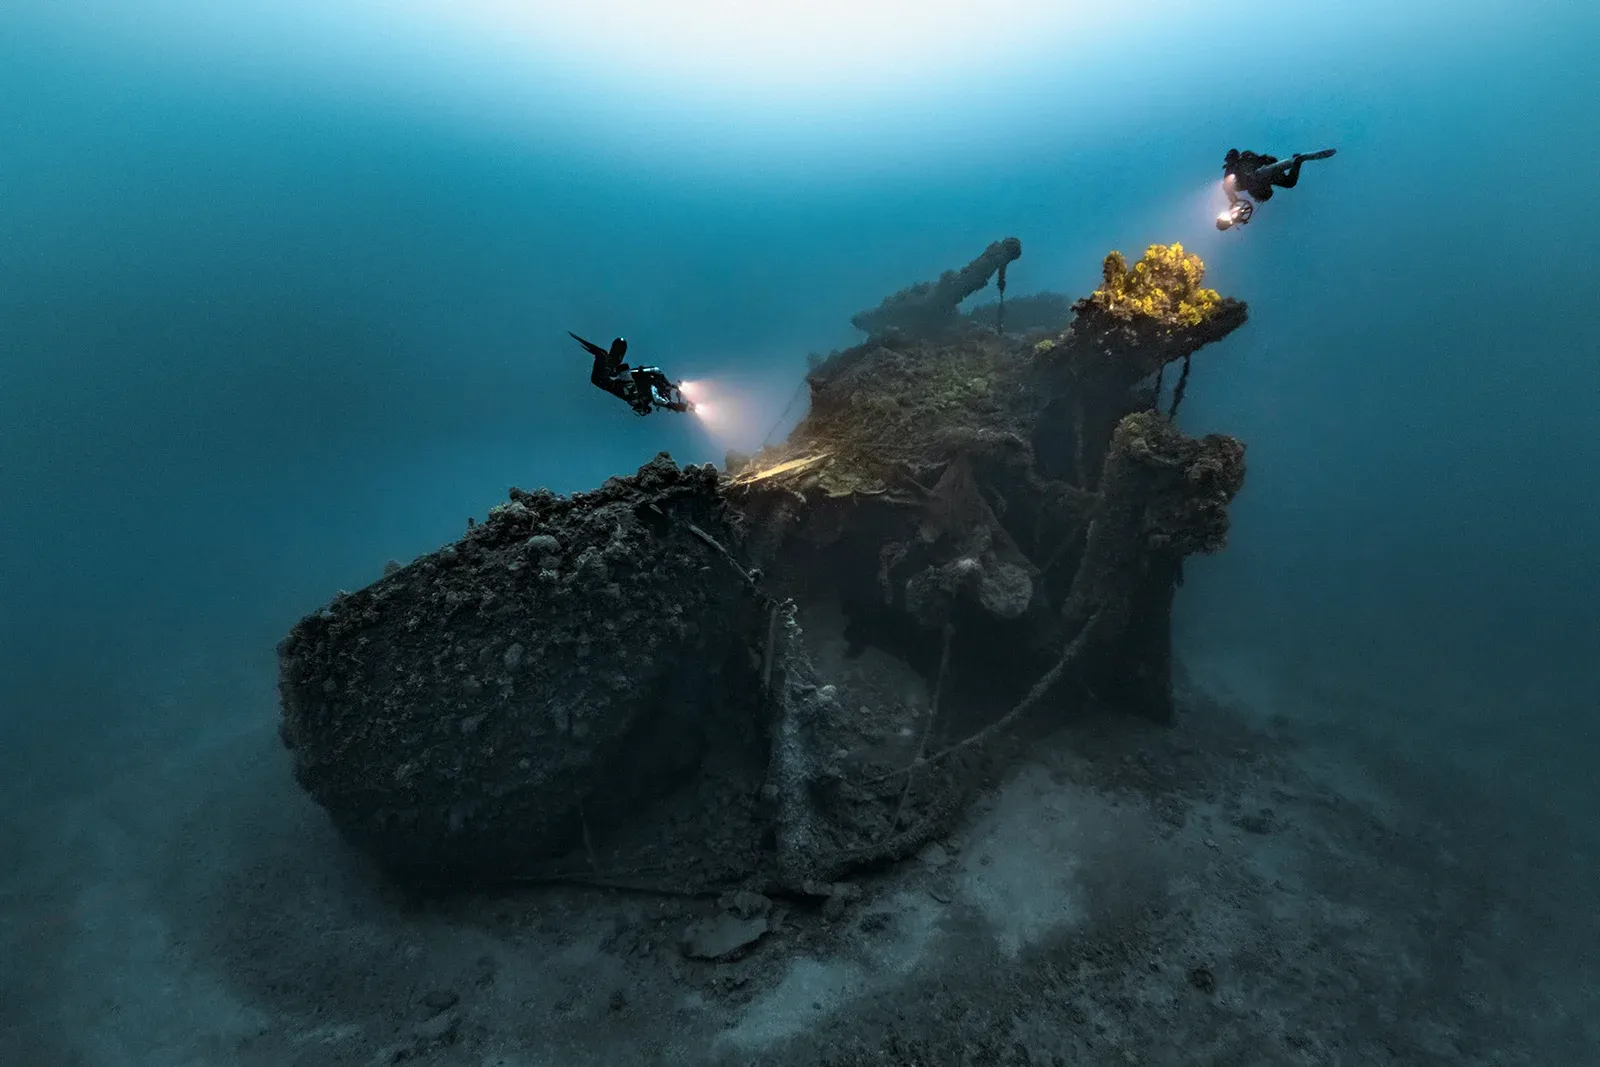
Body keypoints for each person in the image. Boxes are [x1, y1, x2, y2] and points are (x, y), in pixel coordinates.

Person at [1217, 147, 1336, 229]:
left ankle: (1294, 161)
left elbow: (1228, 189)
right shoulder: (1238, 179)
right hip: (1266, 177)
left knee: (1271, 172)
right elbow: (1232, 196)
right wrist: (1236, 212)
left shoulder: (1234, 177)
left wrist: (1234, 205)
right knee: (1289, 182)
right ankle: (1297, 161)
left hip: (1259, 173)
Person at [568, 331, 652, 414]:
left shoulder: (615, 367)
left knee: (605, 357)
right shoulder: (610, 362)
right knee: (603, 355)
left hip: (608, 381)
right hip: (603, 379)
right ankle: (574, 338)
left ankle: (575, 338)